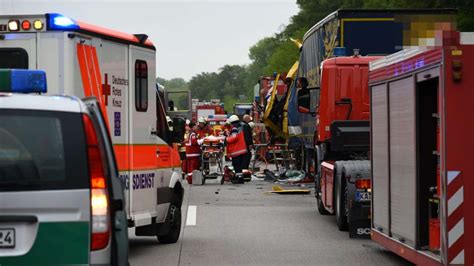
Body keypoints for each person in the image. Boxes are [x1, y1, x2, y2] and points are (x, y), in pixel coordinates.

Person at [225, 115, 248, 183]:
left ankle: (239, 179)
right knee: (239, 166)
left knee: (237, 165)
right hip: (240, 150)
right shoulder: (240, 127)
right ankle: (240, 178)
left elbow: (233, 138)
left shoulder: (234, 128)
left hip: (236, 150)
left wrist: (226, 139)